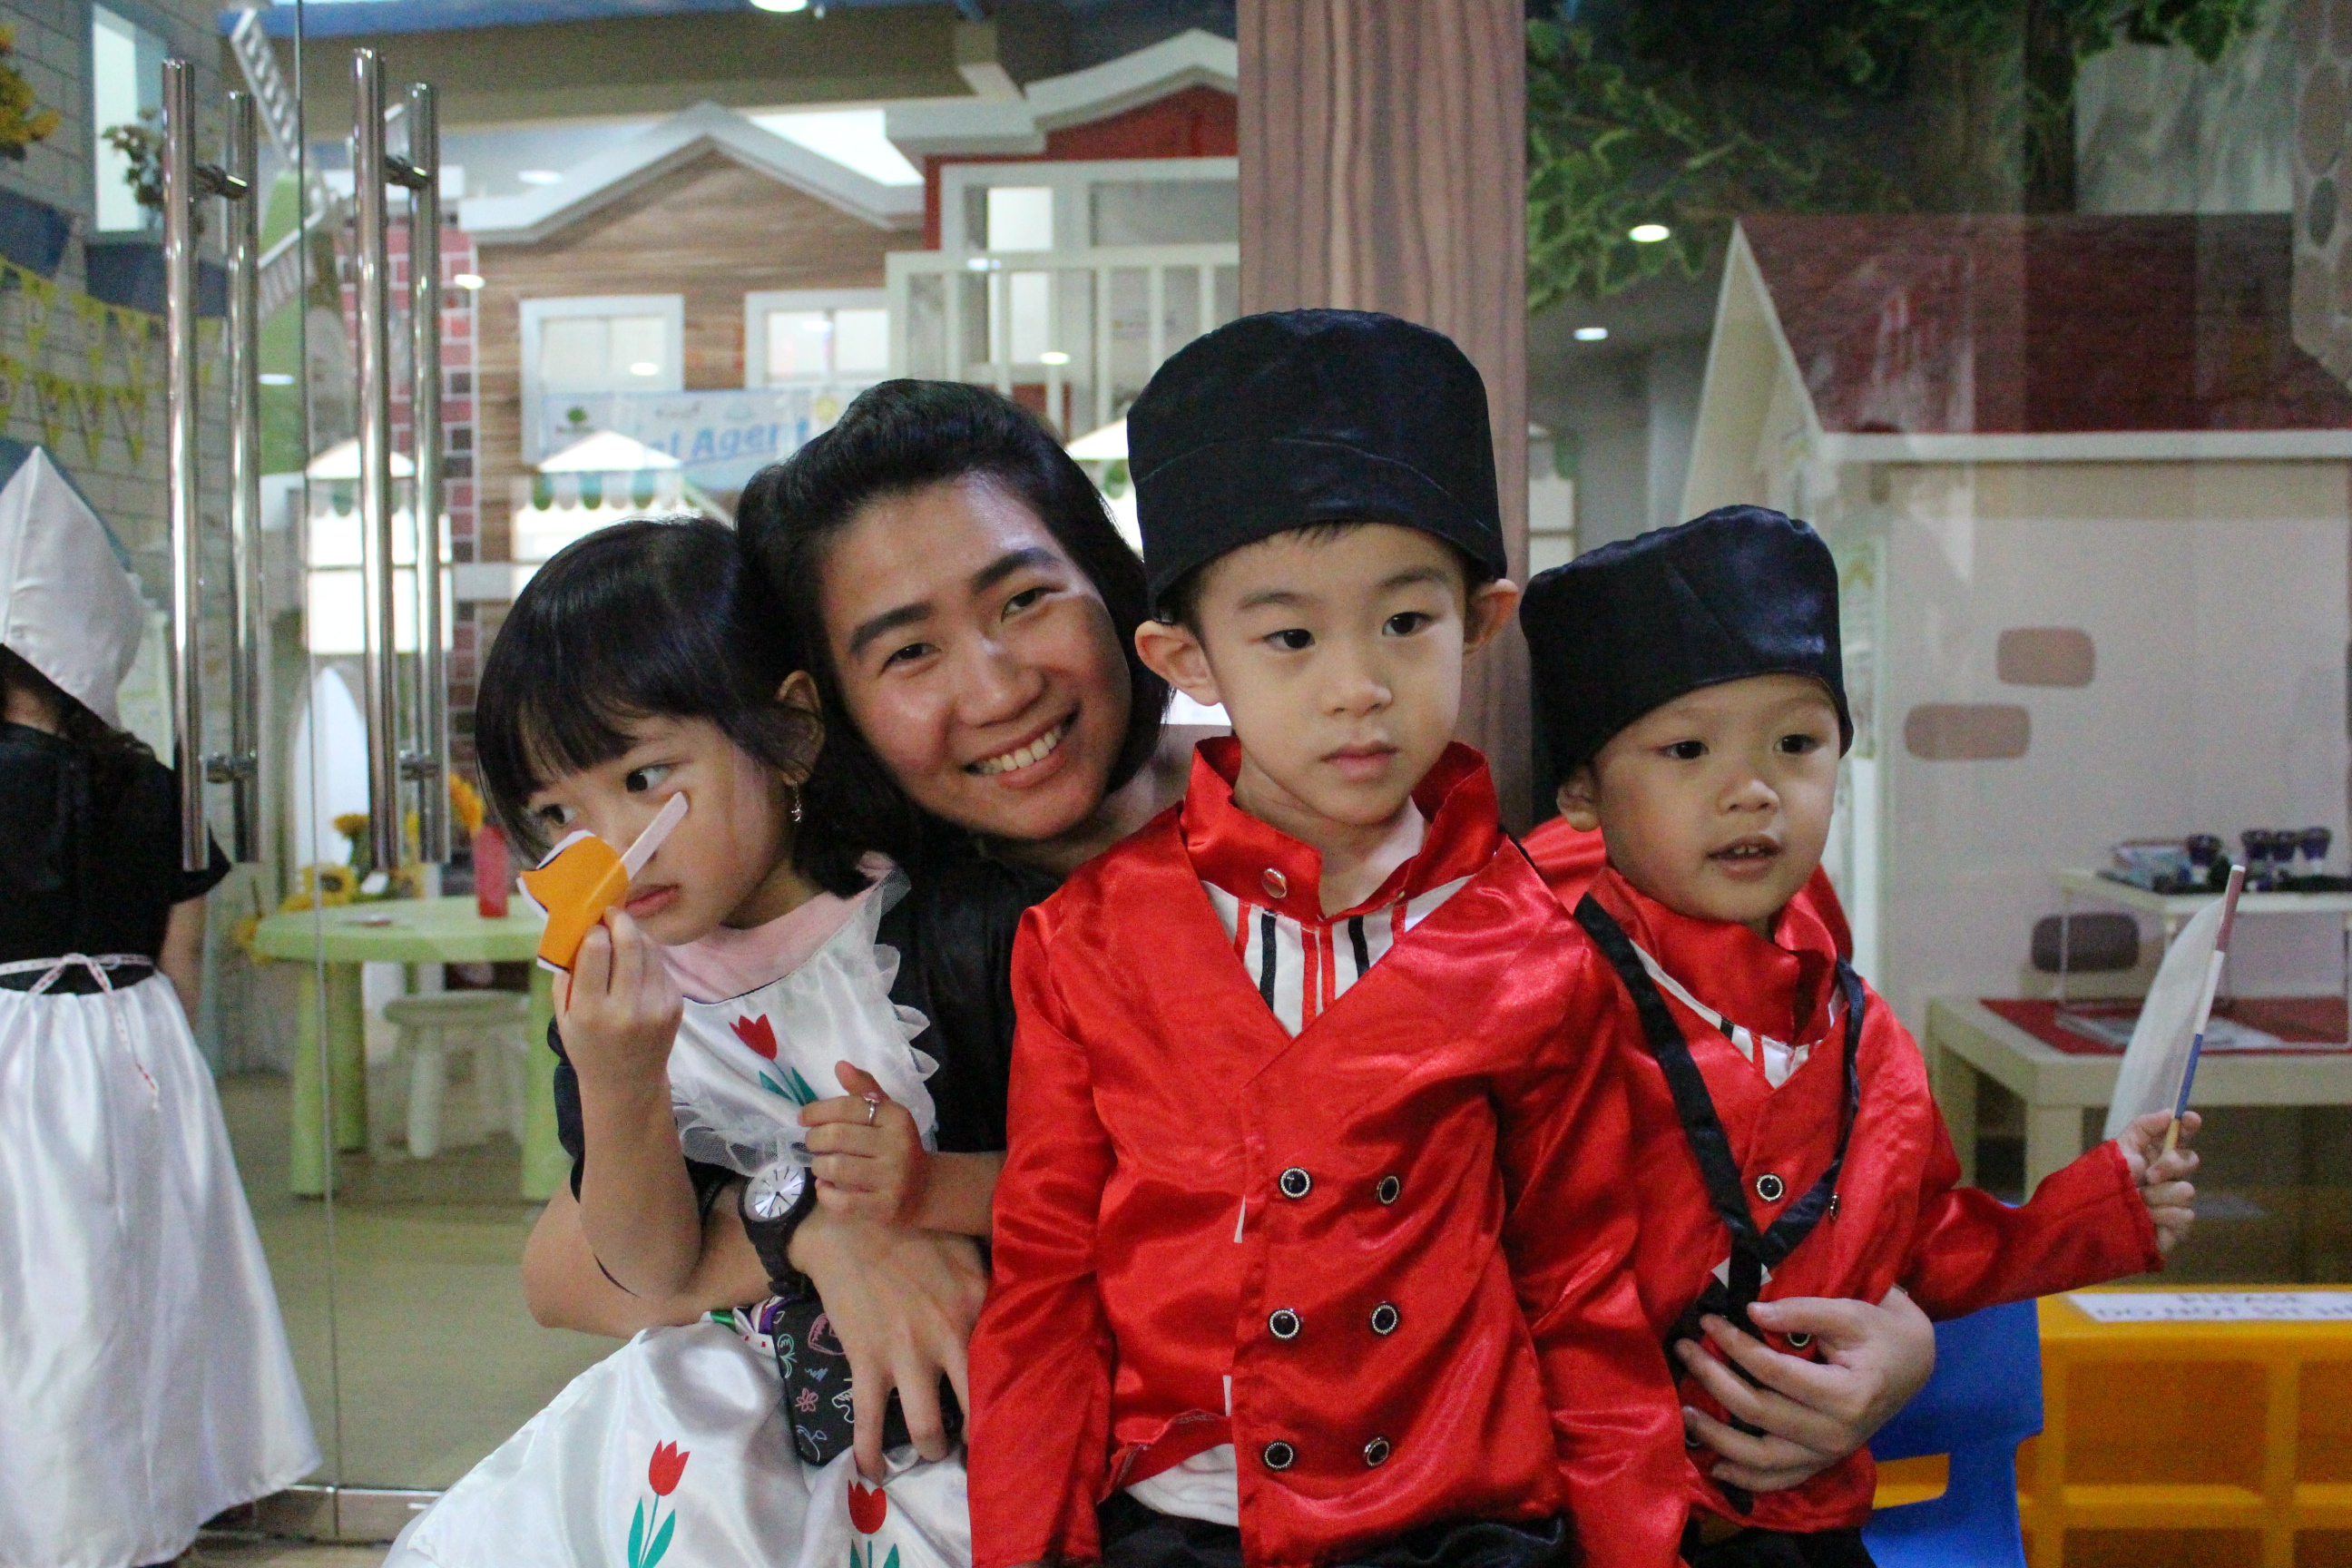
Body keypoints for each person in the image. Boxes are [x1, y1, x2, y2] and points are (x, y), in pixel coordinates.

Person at [517, 383, 1935, 1507]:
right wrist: (828, 1226)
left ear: (1132, 604)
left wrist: (1903, 1338)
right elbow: (568, 1268)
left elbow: (1717, 1145)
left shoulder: (1371, 817)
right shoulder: (862, 929)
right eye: (908, 653)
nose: (995, 687)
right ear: (819, 708)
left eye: (1024, 601)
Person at [967, 309, 1687, 1568]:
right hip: (1187, 1527)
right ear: (1188, 657)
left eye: (1405, 623)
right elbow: (1045, 1293)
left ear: (1481, 617)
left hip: (1465, 1532)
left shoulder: (1538, 952)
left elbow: (1582, 1290)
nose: (1358, 686)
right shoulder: (1089, 942)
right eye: (1291, 637)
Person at [1520, 505, 2201, 1566]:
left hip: (1810, 1525)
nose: (1753, 789)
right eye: (1687, 747)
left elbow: (1923, 1244)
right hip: (1584, 1531)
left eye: (1796, 743)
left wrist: (2104, 1207)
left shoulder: (1862, 1032)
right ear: (1581, 790)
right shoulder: (1542, 1009)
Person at [389, 517, 1054, 1568]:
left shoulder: (955, 927)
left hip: (959, 1400)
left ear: (789, 733)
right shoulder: (620, 997)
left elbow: (1096, 1181)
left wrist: (926, 1191)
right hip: (715, 1417)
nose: (607, 849)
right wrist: (618, 1081)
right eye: (557, 814)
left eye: (646, 777)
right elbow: (650, 1267)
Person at [0, 449, 318, 1568]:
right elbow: (182, 959)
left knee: (46, 1286)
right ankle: (188, 1480)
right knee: (164, 1270)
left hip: (15, 1045)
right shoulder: (152, 781)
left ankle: (57, 1511)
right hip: (136, 1037)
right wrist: (161, 1068)